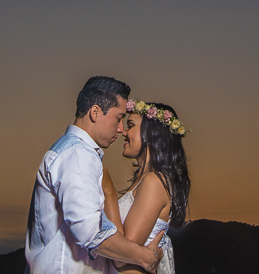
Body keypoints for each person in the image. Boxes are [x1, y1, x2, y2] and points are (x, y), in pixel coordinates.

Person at [26, 76, 164, 274]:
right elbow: (92, 233)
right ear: (95, 112)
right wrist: (146, 257)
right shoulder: (77, 153)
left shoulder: (72, 151)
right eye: (118, 118)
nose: (120, 129)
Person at [102, 100, 190, 274]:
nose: (124, 132)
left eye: (131, 125)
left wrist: (108, 191)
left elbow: (122, 257)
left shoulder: (154, 183)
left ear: (151, 134)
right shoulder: (145, 181)